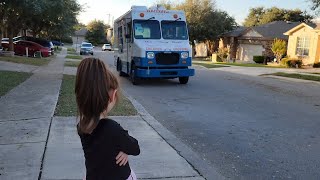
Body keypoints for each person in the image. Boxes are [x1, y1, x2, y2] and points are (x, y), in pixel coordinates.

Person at [75, 58, 140, 180]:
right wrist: (125, 149)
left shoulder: (81, 126)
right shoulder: (111, 127)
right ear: (113, 95)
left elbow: (101, 147)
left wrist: (123, 148)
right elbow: (135, 147)